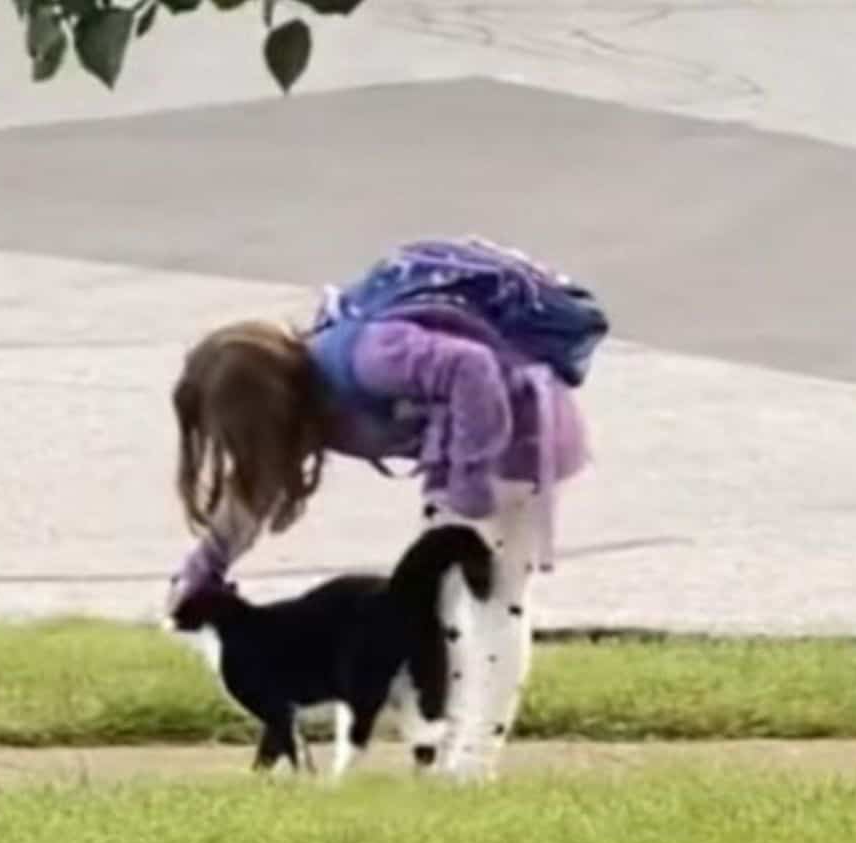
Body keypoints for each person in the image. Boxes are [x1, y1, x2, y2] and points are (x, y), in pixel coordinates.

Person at [166, 238, 604, 782]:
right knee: (438, 606)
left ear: (263, 409)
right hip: (467, 458)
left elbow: (473, 369)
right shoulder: (305, 399)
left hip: (518, 442)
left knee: (489, 600)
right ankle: (449, 754)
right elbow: (257, 489)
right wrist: (205, 567)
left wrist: (468, 484)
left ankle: (470, 767)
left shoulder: (368, 356)